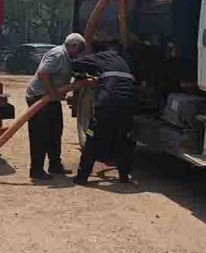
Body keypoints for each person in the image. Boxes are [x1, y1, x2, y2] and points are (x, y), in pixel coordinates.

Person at [71, 47, 136, 185]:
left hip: (106, 105)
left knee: (92, 139)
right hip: (127, 104)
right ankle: (124, 177)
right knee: (124, 141)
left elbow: (77, 63)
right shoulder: (126, 61)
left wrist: (80, 75)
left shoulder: (102, 56)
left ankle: (82, 177)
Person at [25, 33, 85, 180]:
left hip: (51, 99)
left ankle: (55, 165)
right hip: (39, 98)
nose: (79, 54)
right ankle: (36, 170)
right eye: (79, 50)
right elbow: (43, 72)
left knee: (55, 132)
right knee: (40, 135)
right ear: (74, 46)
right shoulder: (58, 54)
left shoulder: (67, 57)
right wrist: (51, 93)